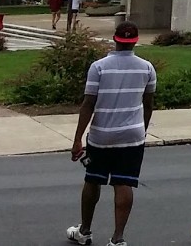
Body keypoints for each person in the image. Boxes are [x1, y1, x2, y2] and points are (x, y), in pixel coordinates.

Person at [69, 21, 156, 246]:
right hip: (132, 136)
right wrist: (142, 131)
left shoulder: (98, 67)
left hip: (101, 135)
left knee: (92, 180)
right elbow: (148, 105)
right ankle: (118, 239)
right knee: (124, 183)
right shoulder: (147, 68)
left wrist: (78, 138)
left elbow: (88, 104)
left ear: (115, 40)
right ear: (135, 41)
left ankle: (85, 231)